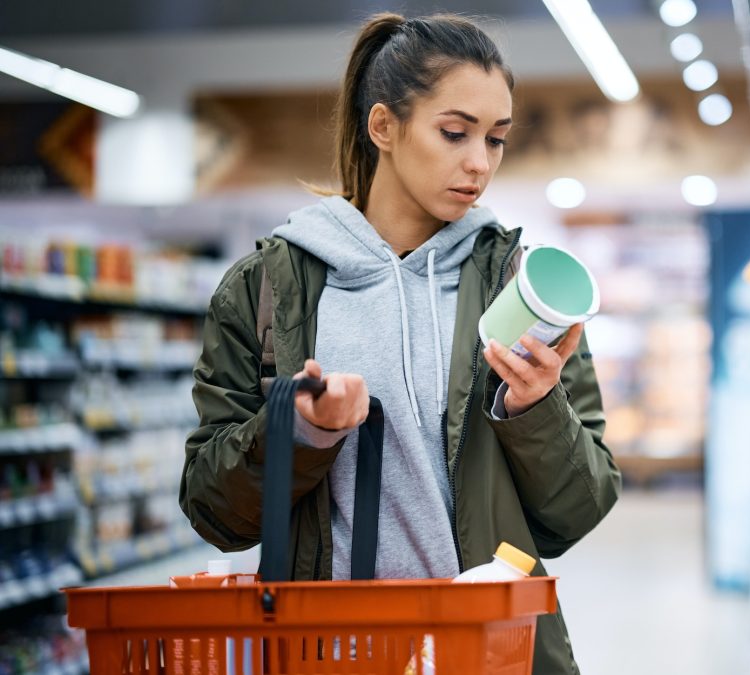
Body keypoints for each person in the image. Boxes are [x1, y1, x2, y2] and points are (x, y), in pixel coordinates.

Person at [180, 12, 621, 674]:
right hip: (329, 653)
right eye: (454, 132)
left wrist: (536, 411)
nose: (479, 162)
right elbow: (215, 510)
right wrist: (301, 433)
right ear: (383, 126)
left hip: (489, 651)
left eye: (496, 139)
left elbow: (576, 513)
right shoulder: (269, 288)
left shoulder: (516, 287)